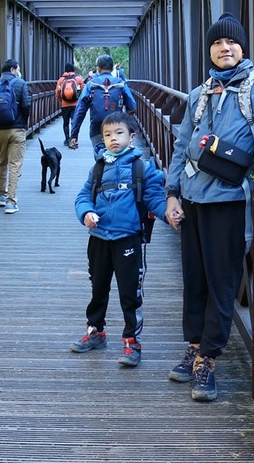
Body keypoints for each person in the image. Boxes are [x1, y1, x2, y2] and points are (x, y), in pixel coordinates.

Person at [163, 12, 254, 402]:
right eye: (217, 43)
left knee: (222, 281)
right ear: (211, 51)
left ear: (242, 48)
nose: (224, 48)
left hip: (229, 200)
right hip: (194, 197)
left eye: (231, 42)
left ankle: (209, 358)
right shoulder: (201, 93)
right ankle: (195, 345)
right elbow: (183, 145)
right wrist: (171, 193)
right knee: (194, 279)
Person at [70, 111, 168, 367]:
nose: (113, 139)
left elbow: (154, 198)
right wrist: (86, 213)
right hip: (99, 238)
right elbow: (83, 197)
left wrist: (169, 214)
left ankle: (131, 342)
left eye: (119, 133)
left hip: (128, 239)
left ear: (132, 137)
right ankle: (96, 332)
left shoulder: (142, 168)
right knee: (98, 287)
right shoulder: (98, 167)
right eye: (107, 134)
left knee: (130, 292)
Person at [0, 59, 32, 214]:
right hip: (17, 129)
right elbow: (26, 105)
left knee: (1, 161)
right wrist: (22, 122)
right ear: (12, 69)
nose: (18, 71)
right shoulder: (21, 84)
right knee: (15, 164)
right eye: (18, 69)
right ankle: (11, 202)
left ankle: (2, 196)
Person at [68, 54, 137, 154]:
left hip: (97, 128)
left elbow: (80, 111)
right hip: (117, 126)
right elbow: (132, 107)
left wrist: (74, 135)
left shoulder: (90, 85)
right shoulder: (121, 84)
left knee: (100, 157)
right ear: (112, 68)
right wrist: (128, 128)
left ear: (98, 69)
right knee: (116, 156)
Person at [54, 63, 84, 147]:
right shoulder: (78, 79)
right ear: (73, 70)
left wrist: (61, 101)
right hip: (75, 104)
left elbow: (57, 92)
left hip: (65, 105)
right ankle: (74, 139)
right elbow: (83, 91)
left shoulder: (61, 80)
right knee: (74, 122)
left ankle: (67, 139)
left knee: (66, 122)